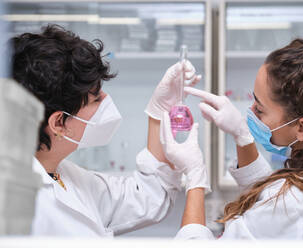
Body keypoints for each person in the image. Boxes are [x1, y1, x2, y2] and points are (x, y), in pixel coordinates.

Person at [160, 39, 303, 239]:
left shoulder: (293, 206)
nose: (250, 112)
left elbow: (277, 207)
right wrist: (242, 135)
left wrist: (195, 177)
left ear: (302, 128)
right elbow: (270, 196)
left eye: (259, 109)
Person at [10, 24, 209, 236]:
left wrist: (158, 112)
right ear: (59, 123)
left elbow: (147, 197)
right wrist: (196, 180)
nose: (107, 101)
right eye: (96, 100)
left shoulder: (63, 176)